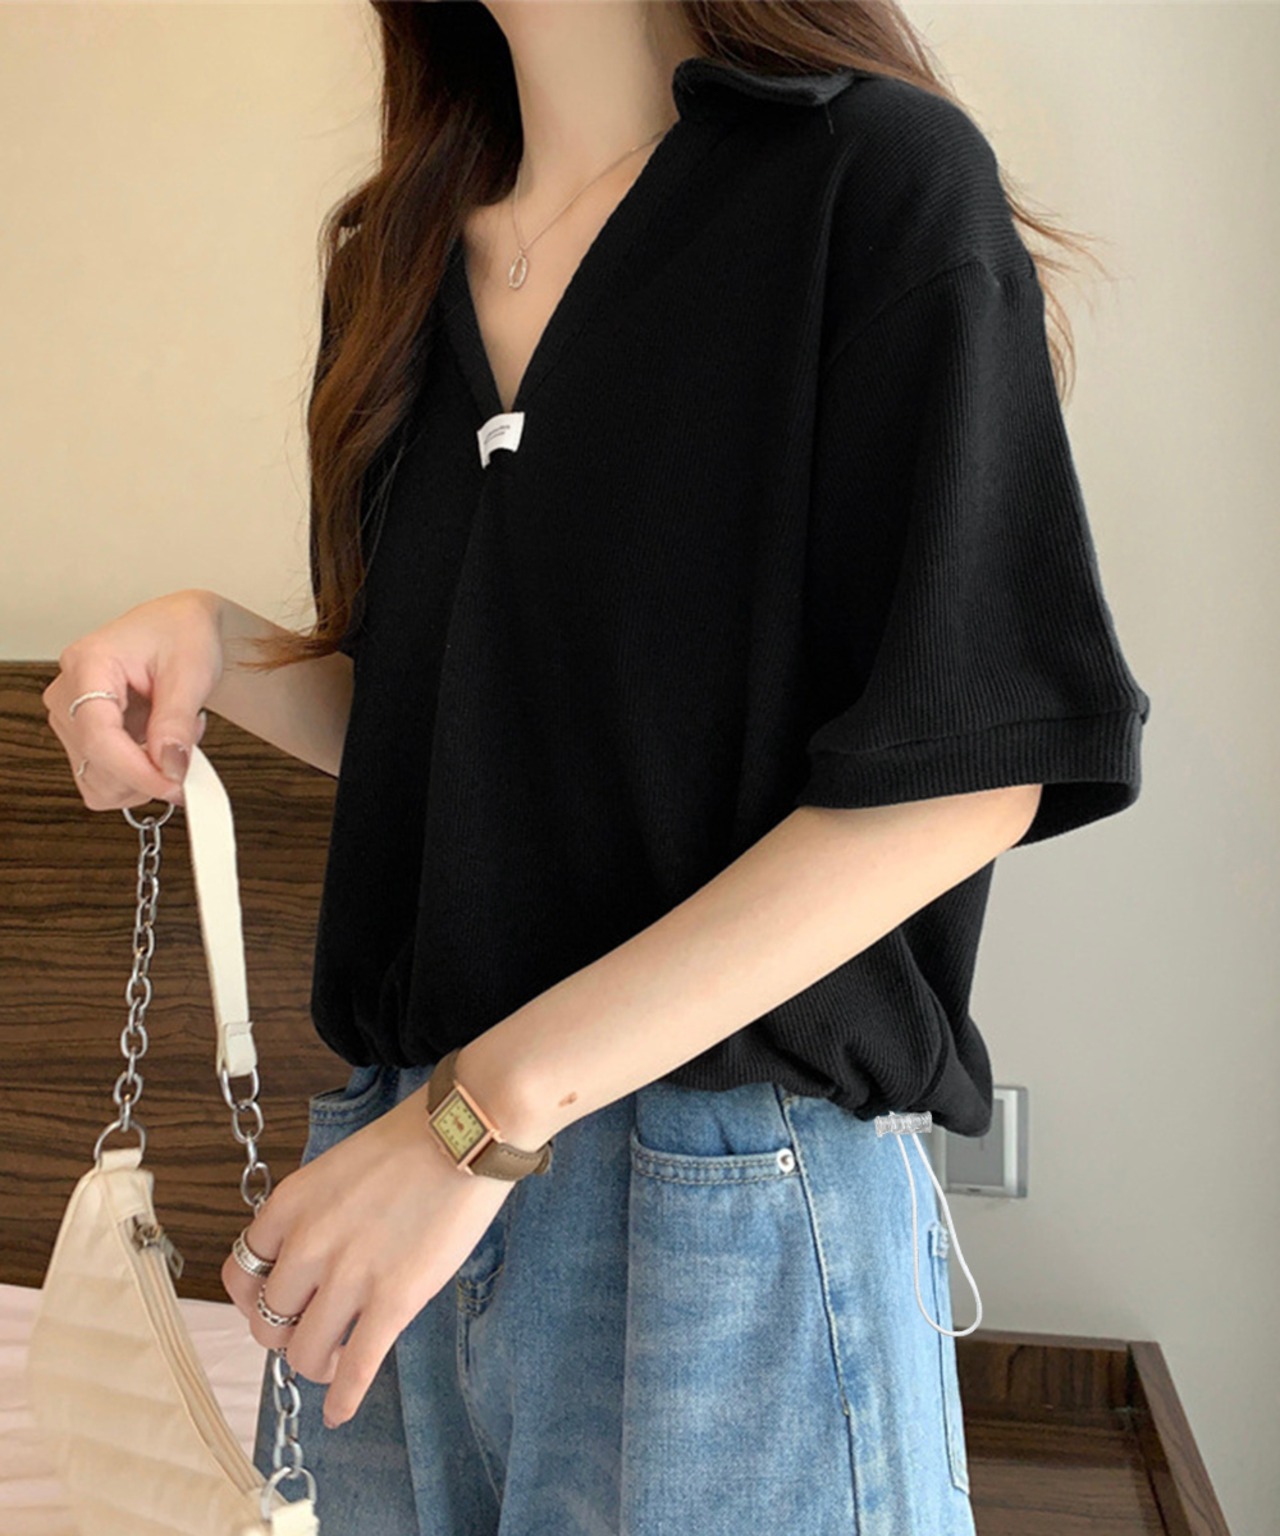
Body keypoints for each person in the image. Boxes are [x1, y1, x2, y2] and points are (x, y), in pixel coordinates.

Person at [42, 2, 1151, 1533]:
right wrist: (226, 649)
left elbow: (963, 771)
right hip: (397, 1203)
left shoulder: (871, 178)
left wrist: (477, 1122)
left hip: (713, 1206)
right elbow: (478, 749)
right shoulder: (393, 255)